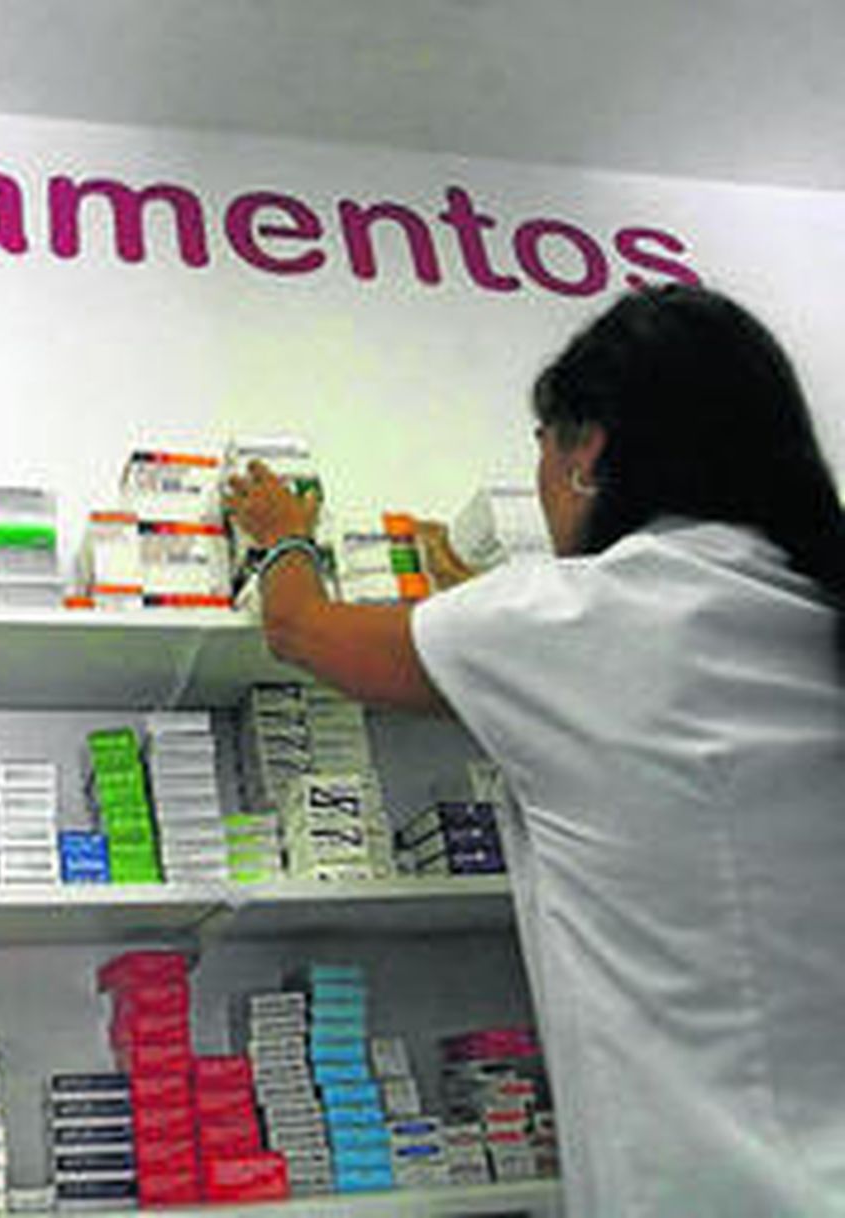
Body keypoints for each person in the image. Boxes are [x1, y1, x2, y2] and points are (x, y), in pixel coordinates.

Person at [222, 283, 845, 1216]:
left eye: (543, 447)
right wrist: (475, 595)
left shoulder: (568, 621)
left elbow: (300, 629)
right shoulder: (805, 609)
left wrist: (283, 536)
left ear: (587, 451)